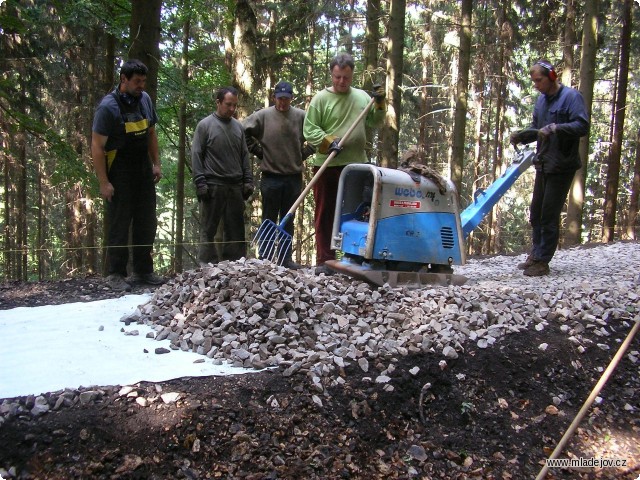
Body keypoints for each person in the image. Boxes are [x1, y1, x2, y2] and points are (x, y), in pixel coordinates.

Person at [303, 52, 385, 274]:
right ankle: (325, 260)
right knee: (325, 212)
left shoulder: (361, 97)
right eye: (337, 77)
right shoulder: (320, 99)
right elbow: (309, 129)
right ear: (331, 74)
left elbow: (376, 122)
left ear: (352, 75)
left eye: (346, 78)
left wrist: (379, 103)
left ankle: (355, 257)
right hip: (327, 165)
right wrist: (328, 142)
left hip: (357, 166)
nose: (341, 82)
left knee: (357, 213)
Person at [510, 60, 589, 277]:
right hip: (544, 163)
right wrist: (522, 136)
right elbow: (538, 130)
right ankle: (536, 253)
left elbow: (582, 126)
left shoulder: (571, 98)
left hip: (562, 164)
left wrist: (556, 128)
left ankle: (543, 261)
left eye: (539, 80)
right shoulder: (541, 102)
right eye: (533, 81)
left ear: (552, 77)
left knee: (548, 215)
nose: (536, 85)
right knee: (536, 213)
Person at [91, 59, 164, 292]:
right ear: (123, 79)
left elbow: (151, 133)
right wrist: (104, 182)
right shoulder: (108, 107)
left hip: (142, 168)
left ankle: (143, 270)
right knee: (120, 222)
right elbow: (96, 147)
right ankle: (116, 273)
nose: (141, 85)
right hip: (119, 169)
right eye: (137, 81)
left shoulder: (145, 100)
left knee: (146, 221)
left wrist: (156, 164)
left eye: (144, 81)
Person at [242, 81, 314, 269]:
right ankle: (264, 259)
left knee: (288, 219)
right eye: (280, 98)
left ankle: (285, 259)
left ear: (291, 98)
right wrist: (258, 151)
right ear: (274, 97)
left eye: (286, 99)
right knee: (268, 218)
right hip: (270, 177)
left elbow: (315, 136)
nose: (283, 103)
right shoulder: (263, 116)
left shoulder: (301, 116)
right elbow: (244, 131)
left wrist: (303, 155)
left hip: (293, 177)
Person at [192, 86, 254, 266]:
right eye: (228, 105)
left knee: (235, 229)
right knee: (209, 228)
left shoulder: (238, 127)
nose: (232, 109)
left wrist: (248, 180)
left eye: (235, 105)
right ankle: (207, 266)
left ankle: (235, 265)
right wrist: (200, 182)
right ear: (218, 102)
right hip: (213, 184)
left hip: (235, 185)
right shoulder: (205, 125)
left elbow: (244, 154)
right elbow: (196, 154)